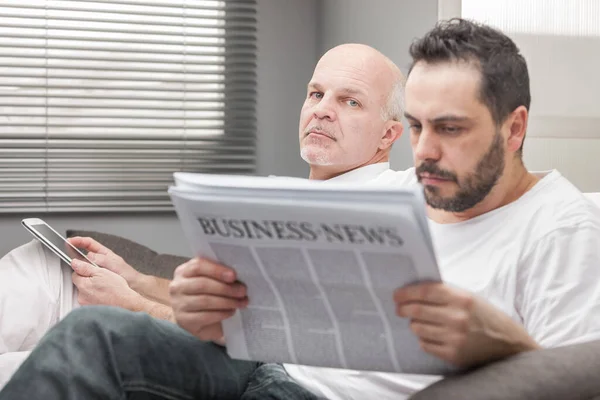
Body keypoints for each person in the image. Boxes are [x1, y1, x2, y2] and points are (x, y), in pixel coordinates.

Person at [3, 18, 600, 400]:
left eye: (449, 129)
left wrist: (501, 343)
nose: (425, 152)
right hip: (270, 371)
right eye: (418, 127)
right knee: (92, 334)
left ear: (514, 127)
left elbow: (572, 380)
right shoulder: (398, 194)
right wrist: (176, 296)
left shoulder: (561, 229)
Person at [0, 42, 411, 387]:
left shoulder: (390, 204)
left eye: (350, 101)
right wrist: (135, 278)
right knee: (41, 262)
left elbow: (256, 338)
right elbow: (227, 303)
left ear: (389, 134)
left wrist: (130, 302)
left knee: (65, 350)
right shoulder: (291, 199)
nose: (321, 110)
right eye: (316, 93)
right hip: (200, 330)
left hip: (250, 366)